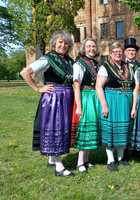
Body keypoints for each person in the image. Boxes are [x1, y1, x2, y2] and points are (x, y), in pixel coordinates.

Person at [20, 30, 75, 177]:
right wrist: (38, 88)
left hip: (66, 98)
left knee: (62, 128)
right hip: (54, 98)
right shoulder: (47, 59)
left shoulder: (69, 61)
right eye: (60, 43)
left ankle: (52, 159)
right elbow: (25, 72)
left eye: (65, 43)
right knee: (56, 129)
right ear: (54, 44)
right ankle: (59, 167)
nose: (63, 45)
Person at [96, 41, 134, 172]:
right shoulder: (105, 67)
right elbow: (99, 87)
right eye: (115, 51)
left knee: (123, 128)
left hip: (125, 102)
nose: (118, 53)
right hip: (111, 100)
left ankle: (120, 158)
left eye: (120, 51)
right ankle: (110, 160)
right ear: (110, 54)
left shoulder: (128, 67)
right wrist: (104, 104)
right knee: (110, 129)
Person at [72, 38, 100, 174]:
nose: (92, 49)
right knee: (85, 129)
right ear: (83, 48)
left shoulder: (95, 63)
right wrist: (79, 106)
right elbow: (76, 85)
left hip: (95, 97)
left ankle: (86, 160)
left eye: (94, 46)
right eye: (88, 46)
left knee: (92, 128)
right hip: (86, 96)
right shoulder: (80, 63)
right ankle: (79, 162)